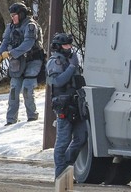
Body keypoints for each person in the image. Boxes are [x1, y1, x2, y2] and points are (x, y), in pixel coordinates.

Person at [0, 2, 45, 126]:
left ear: (21, 14)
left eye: (14, 15)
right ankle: (10, 120)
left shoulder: (31, 26)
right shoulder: (10, 27)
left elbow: (28, 44)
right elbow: (5, 42)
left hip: (33, 60)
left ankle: (32, 117)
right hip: (17, 61)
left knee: (27, 88)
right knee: (14, 90)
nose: (12, 18)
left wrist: (10, 54)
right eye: (11, 15)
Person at [46, 32, 87, 179]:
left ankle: (67, 167)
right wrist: (71, 68)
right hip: (64, 105)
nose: (69, 48)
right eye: (65, 45)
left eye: (70, 44)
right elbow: (57, 82)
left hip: (77, 103)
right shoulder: (54, 61)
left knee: (81, 137)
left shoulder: (71, 59)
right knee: (63, 142)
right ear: (58, 47)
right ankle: (61, 175)